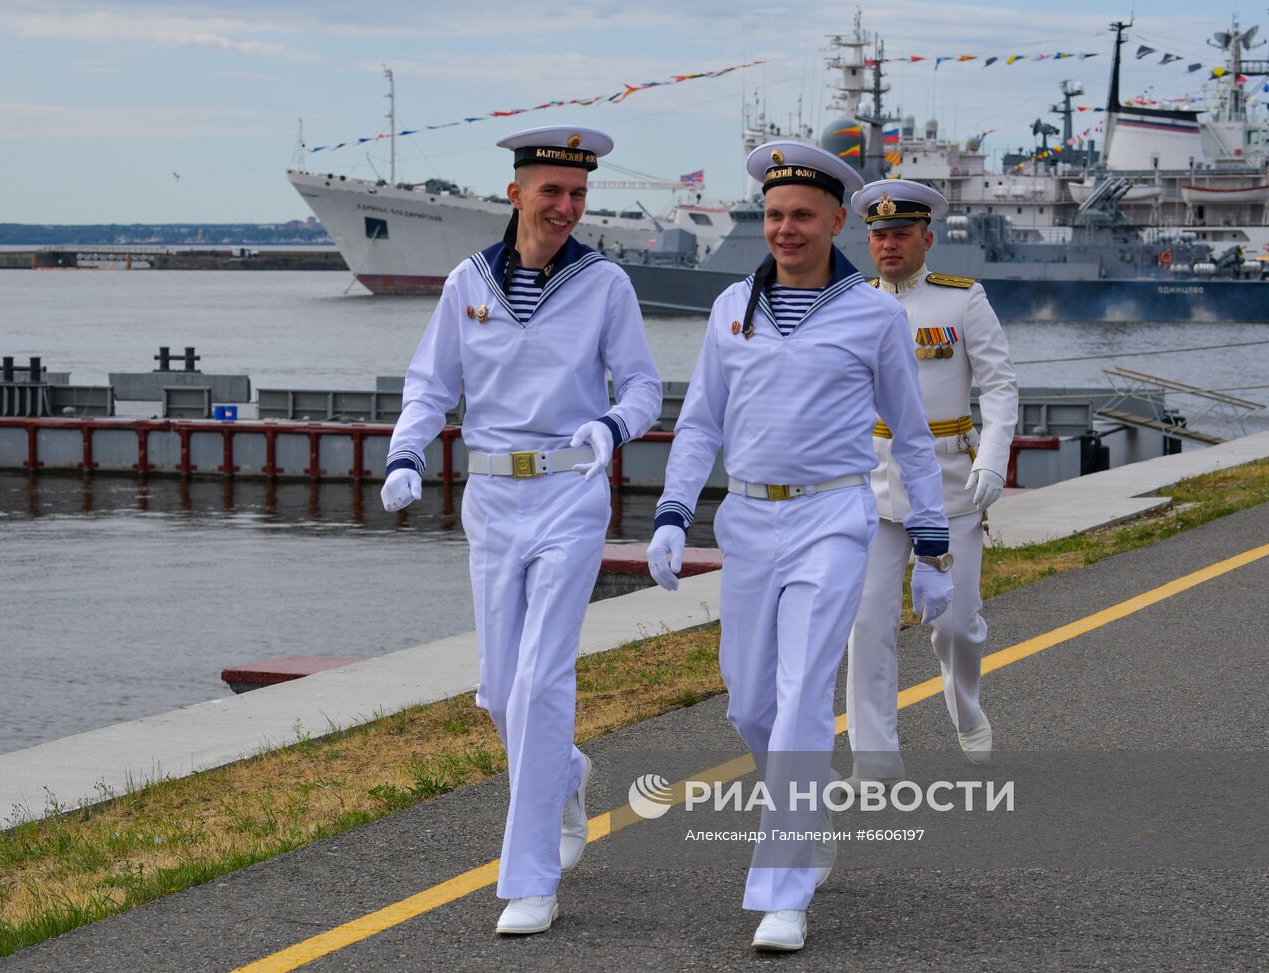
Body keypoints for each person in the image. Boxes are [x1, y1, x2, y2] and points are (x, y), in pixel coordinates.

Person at [645, 142, 952, 952]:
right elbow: (702, 420)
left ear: (836, 221)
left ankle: (782, 895)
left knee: (805, 696)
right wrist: (674, 510)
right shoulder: (728, 310)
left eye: (802, 216)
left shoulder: (874, 315)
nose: (785, 229)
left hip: (832, 517)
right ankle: (806, 817)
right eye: (775, 215)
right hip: (746, 520)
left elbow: (913, 439)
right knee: (749, 702)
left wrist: (932, 545)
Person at [380, 125, 662, 936]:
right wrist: (407, 454)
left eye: (578, 194)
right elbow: (430, 385)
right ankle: (564, 771)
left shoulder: (605, 283)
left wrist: (610, 429)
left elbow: (642, 386)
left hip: (571, 492)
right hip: (492, 501)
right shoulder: (466, 284)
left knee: (543, 680)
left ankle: (530, 879)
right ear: (516, 194)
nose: (567, 207)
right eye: (553, 192)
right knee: (501, 692)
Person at [844, 179, 1018, 779]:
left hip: (948, 483)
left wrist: (993, 455)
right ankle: (875, 757)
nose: (888, 245)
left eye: (899, 234)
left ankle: (965, 706)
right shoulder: (851, 302)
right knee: (866, 622)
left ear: (927, 239)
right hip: (872, 482)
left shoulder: (962, 300)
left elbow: (998, 384)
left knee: (956, 626)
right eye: (878, 235)